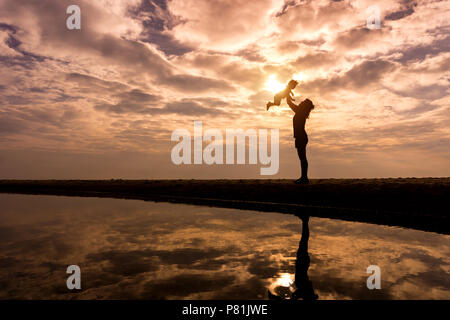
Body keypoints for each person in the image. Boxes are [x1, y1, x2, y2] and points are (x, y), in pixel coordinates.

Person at [286, 96, 315, 184]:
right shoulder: (300, 111)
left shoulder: (300, 111)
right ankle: (303, 177)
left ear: (304, 106)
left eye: (303, 102)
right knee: (302, 158)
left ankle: (304, 178)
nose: (301, 102)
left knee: (302, 158)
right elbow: (289, 103)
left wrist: (287, 92)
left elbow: (289, 103)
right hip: (301, 137)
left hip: (301, 137)